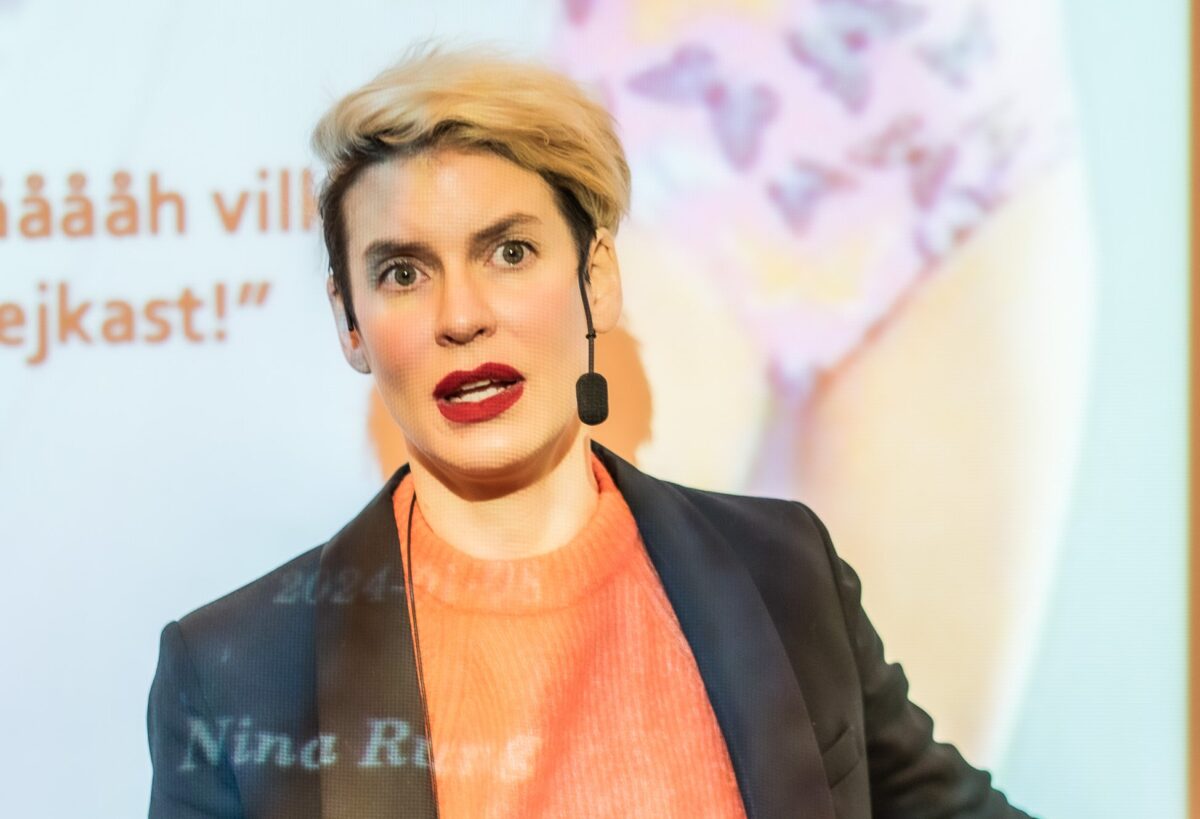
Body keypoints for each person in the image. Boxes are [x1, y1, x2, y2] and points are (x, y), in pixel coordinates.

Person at [146, 47, 1034, 819]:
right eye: (404, 272)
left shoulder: (783, 571)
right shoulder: (233, 671)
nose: (461, 315)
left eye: (509, 252)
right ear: (351, 322)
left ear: (597, 279)